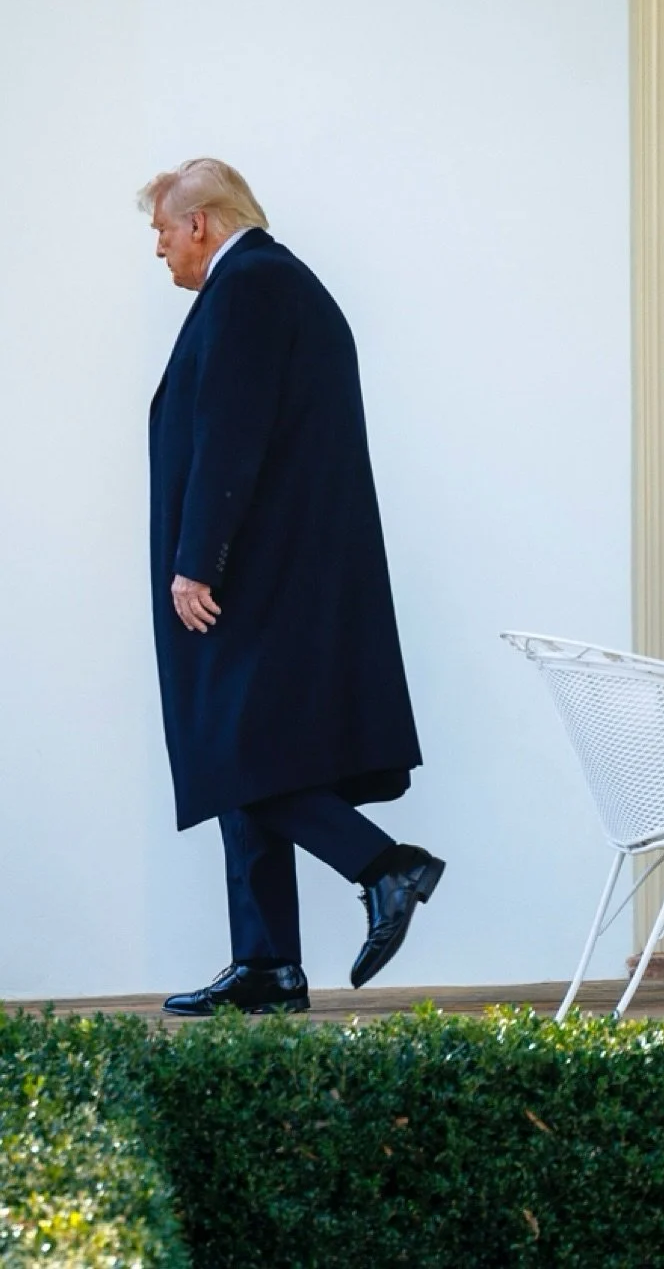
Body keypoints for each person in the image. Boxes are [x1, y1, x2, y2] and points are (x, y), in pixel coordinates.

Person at [139, 158, 442, 1016]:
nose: (158, 250)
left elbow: (230, 431)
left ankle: (385, 867)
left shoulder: (251, 287)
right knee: (242, 750)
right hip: (272, 567)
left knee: (240, 751)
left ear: (199, 223)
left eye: (161, 232)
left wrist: (198, 558)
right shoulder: (266, 285)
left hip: (253, 572)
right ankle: (267, 964)